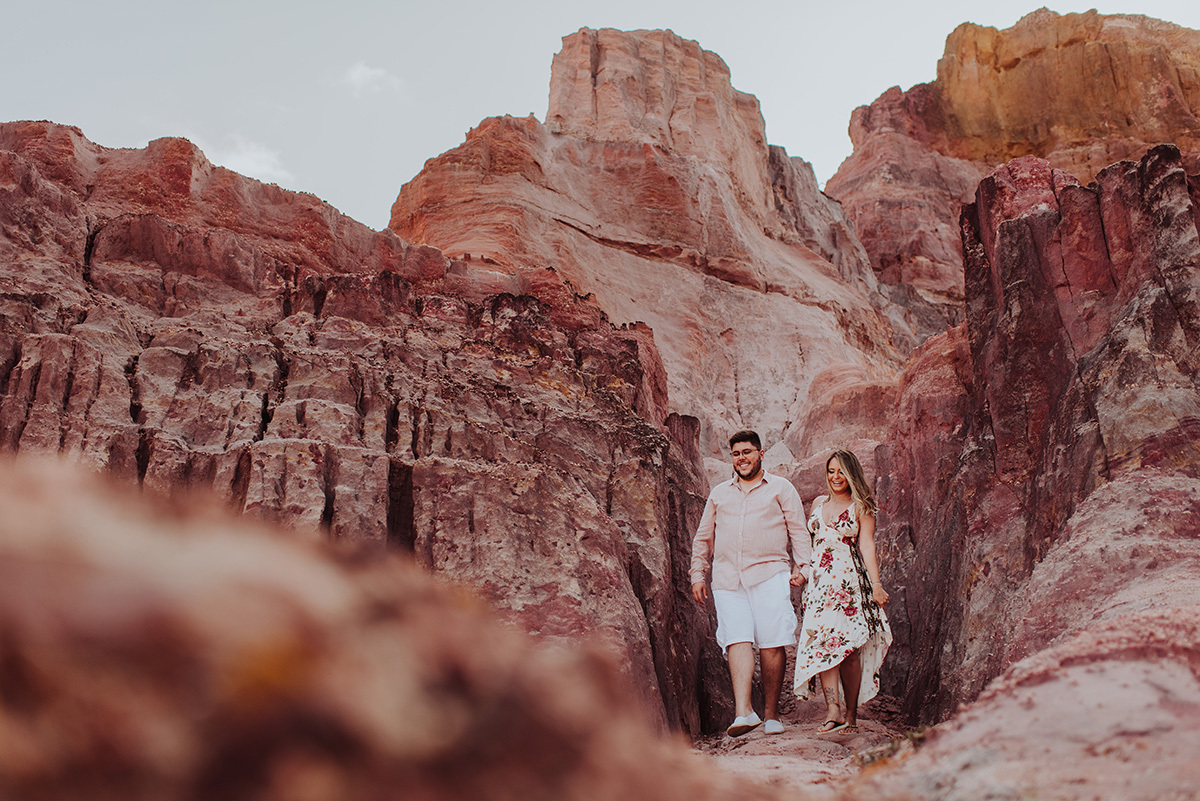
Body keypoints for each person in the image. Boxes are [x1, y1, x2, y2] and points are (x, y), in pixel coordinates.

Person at [690, 430, 811, 737]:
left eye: (747, 452)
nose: (741, 458)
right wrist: (697, 574)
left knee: (772, 642)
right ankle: (744, 712)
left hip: (770, 574)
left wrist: (803, 567)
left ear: (761, 454)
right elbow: (703, 538)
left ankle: (771, 716)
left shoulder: (781, 488)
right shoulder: (719, 493)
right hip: (728, 578)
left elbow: (798, 530)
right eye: (736, 454)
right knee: (736, 639)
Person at [792, 449, 892, 733]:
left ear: (851, 474)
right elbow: (811, 547)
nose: (836, 477)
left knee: (848, 648)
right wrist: (801, 573)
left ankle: (851, 715)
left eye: (841, 472)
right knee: (823, 646)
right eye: (831, 471)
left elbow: (867, 547)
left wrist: (876, 586)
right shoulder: (818, 504)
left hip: (848, 585)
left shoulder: (861, 506)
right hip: (819, 587)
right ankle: (832, 710)